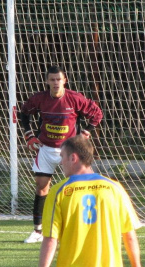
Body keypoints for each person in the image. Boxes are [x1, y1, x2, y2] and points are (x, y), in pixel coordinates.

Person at [32, 135, 145, 267]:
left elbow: (50, 239)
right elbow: (129, 234)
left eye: (63, 157)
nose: (61, 162)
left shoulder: (59, 192)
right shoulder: (114, 188)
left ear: (74, 158)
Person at [19, 65, 103, 243]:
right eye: (52, 80)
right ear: (47, 81)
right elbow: (24, 114)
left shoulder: (75, 99)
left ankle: (82, 225)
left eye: (59, 79)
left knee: (78, 186)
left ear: (65, 80)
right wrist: (29, 136)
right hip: (46, 149)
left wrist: (86, 132)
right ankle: (38, 231)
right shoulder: (39, 99)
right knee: (41, 187)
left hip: (70, 149)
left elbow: (97, 114)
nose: (56, 83)